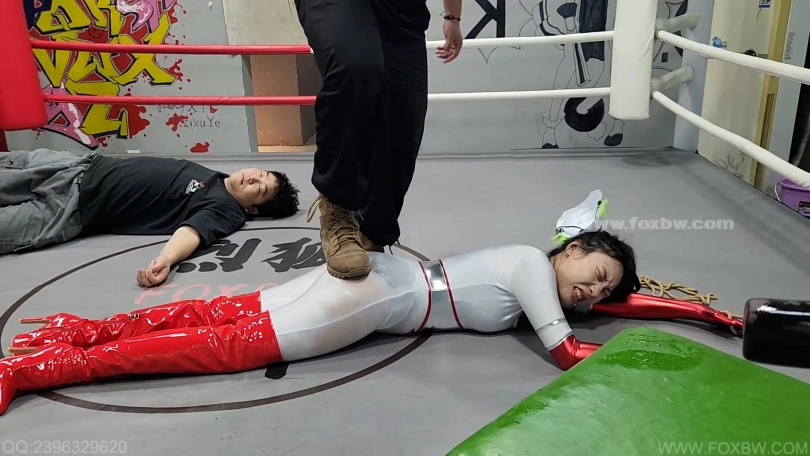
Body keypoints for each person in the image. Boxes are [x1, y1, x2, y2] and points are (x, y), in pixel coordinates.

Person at [0, 231, 743, 416]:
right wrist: (663, 365)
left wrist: (707, 314)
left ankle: (66, 332)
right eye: (596, 273)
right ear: (572, 249)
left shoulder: (528, 268)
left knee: (220, 310)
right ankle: (29, 368)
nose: (593, 293)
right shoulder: (528, 266)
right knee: (220, 344)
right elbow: (571, 351)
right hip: (375, 303)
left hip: (374, 281)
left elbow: (604, 308)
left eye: (602, 290)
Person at [297, 0, 465, 279]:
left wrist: (453, 17)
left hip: (402, 9)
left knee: (404, 114)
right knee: (356, 68)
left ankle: (371, 233)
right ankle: (338, 209)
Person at [0, 149, 300, 287]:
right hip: (76, 166)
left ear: (252, 209)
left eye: (260, 189)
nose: (253, 178)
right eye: (261, 173)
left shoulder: (226, 209)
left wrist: (166, 259)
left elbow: (193, 231)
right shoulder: (217, 177)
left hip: (72, 208)